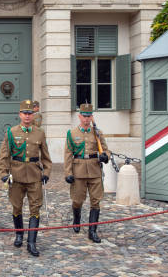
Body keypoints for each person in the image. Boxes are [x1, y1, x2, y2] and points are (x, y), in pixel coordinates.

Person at [0, 99, 52, 256]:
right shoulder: (11, 132)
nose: (27, 116)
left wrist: (46, 173)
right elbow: (4, 155)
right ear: (19, 114)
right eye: (24, 113)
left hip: (35, 175)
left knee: (35, 208)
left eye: (30, 113)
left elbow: (46, 158)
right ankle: (19, 234)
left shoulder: (40, 133)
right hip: (16, 175)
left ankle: (32, 242)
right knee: (17, 207)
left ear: (33, 114)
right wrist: (3, 173)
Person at [64, 103, 110, 243]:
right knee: (77, 200)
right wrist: (68, 173)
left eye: (89, 116)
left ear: (92, 117)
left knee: (96, 201)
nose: (86, 119)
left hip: (95, 170)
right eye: (84, 116)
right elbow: (67, 154)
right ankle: (77, 219)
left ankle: (92, 231)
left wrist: (105, 156)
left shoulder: (97, 133)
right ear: (79, 116)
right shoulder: (72, 133)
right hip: (78, 171)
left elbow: (106, 150)